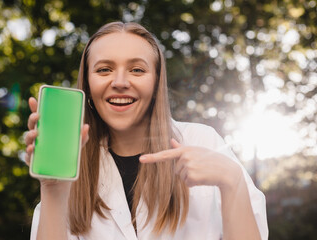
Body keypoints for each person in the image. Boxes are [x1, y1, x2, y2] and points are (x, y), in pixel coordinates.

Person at [24, 22, 268, 240]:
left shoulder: (203, 142)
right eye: (104, 70)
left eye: (137, 70)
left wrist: (233, 182)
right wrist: (53, 192)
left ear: (156, 82)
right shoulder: (67, 170)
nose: (120, 82)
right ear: (87, 83)